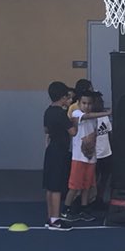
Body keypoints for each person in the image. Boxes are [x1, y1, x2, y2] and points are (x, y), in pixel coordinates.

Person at [62, 90, 111, 222]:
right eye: (84, 103)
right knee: (74, 186)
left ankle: (84, 209)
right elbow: (86, 117)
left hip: (90, 157)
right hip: (78, 158)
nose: (86, 106)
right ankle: (65, 209)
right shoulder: (76, 113)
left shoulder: (94, 118)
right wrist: (107, 113)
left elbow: (94, 131)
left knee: (87, 186)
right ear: (78, 103)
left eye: (89, 104)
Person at [43, 82, 75, 231]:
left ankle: (50, 216)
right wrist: (74, 120)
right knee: (56, 187)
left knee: (50, 186)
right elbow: (73, 131)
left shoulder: (48, 111)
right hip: (59, 151)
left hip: (51, 149)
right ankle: (55, 220)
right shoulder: (61, 113)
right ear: (63, 97)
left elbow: (46, 130)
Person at [91, 91, 113, 211]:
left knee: (104, 178)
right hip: (95, 155)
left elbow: (109, 133)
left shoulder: (104, 116)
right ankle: (91, 200)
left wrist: (112, 148)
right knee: (93, 179)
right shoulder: (90, 118)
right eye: (99, 102)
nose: (101, 104)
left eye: (102, 102)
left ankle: (99, 199)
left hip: (106, 153)